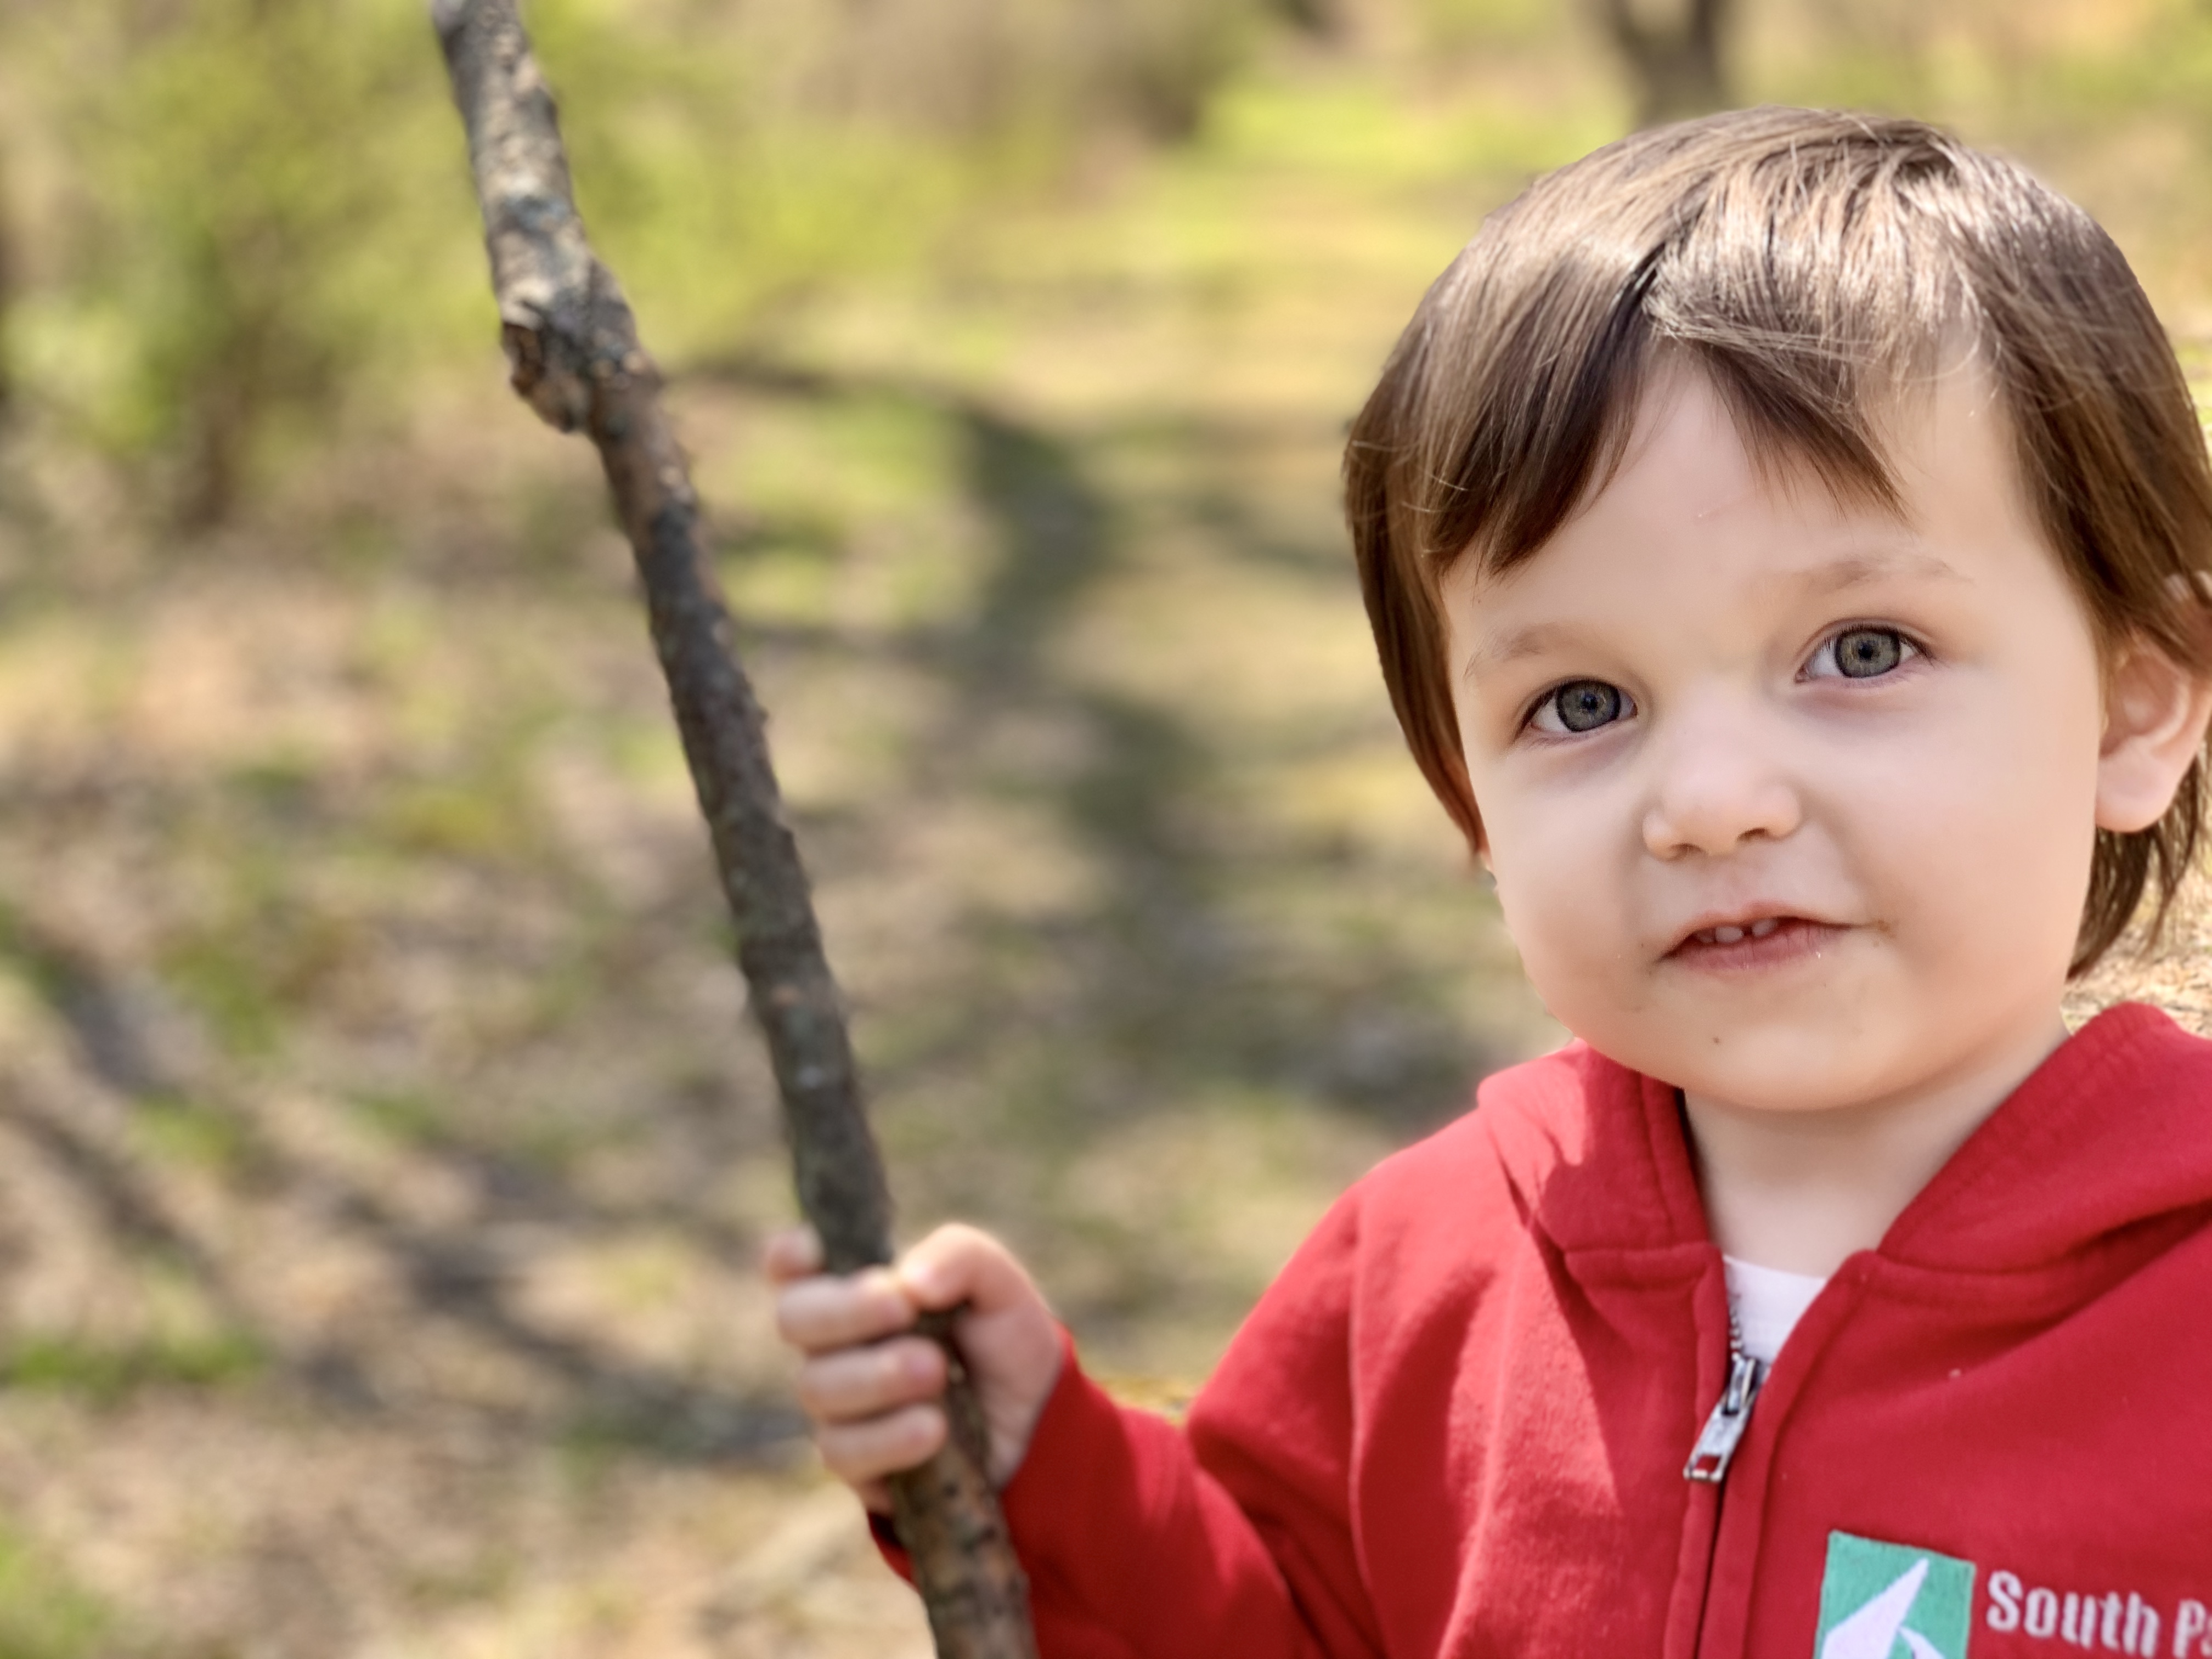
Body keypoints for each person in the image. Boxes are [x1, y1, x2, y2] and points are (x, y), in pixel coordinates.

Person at [766, 106, 2212, 1657]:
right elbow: (1278, 1624)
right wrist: (1041, 1478)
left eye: (1862, 652)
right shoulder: (1424, 1271)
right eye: (1581, 705)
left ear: (2136, 706)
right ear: (1472, 805)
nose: (1711, 805)